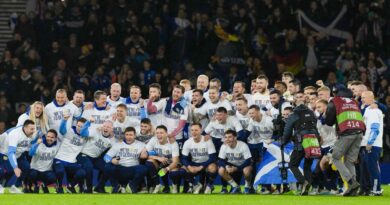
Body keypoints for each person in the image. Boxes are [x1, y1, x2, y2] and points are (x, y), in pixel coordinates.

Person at [324, 87, 365, 196]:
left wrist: (326, 115)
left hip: (347, 133)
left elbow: (328, 122)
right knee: (349, 161)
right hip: (359, 132)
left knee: (335, 157)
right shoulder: (354, 102)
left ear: (336, 93)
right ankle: (352, 190)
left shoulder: (335, 102)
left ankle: (351, 182)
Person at [282, 91, 320, 195]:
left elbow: (287, 131)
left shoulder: (293, 115)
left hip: (301, 142)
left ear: (294, 105)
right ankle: (307, 187)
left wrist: (284, 142)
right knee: (307, 166)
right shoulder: (311, 113)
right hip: (313, 141)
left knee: (293, 164)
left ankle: (303, 182)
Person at [104, 127, 148, 193]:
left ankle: (131, 185)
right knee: (107, 166)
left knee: (144, 168)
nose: (128, 137)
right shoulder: (118, 145)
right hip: (120, 168)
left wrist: (146, 152)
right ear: (124, 135)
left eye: (131, 135)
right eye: (127, 135)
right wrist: (112, 160)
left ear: (135, 135)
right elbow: (105, 157)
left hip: (133, 169)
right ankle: (117, 186)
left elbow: (152, 151)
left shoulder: (141, 145)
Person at [78, 120, 116, 193]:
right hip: (84, 155)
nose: (106, 128)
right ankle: (89, 189)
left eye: (108, 127)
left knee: (108, 167)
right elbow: (83, 133)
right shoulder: (95, 132)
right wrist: (88, 122)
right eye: (104, 126)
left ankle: (99, 187)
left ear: (111, 130)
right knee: (89, 167)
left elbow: (116, 150)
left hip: (95, 159)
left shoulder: (111, 141)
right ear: (101, 127)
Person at [1, 120, 37, 193]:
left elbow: (30, 145)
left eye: (34, 128)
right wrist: (15, 167)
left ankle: (14, 186)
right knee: (9, 169)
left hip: (19, 153)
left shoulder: (32, 133)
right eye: (31, 129)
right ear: (25, 128)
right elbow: (11, 152)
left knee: (26, 167)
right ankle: (1, 185)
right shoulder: (15, 134)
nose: (33, 131)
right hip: (4, 152)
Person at [54, 117, 88, 194]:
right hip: (60, 158)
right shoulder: (69, 131)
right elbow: (62, 130)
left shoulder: (86, 136)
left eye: (82, 126)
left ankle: (70, 186)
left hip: (72, 161)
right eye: (78, 126)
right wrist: (64, 120)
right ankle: (59, 187)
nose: (79, 128)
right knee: (60, 171)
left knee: (82, 173)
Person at [360, 91, 384, 196]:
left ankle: (376, 189)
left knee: (372, 168)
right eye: (361, 97)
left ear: (372, 98)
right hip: (366, 144)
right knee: (367, 168)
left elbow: (375, 128)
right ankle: (372, 188)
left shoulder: (374, 111)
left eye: (364, 97)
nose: (362, 99)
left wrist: (370, 142)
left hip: (372, 144)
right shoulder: (367, 110)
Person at [182, 123, 217, 194]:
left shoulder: (207, 140)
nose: (194, 132)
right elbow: (184, 158)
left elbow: (213, 157)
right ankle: (196, 185)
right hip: (194, 163)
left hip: (206, 164)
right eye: (192, 130)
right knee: (183, 168)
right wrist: (189, 167)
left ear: (201, 131)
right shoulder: (187, 142)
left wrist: (201, 167)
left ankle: (209, 186)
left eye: (196, 130)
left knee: (213, 167)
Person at [145, 125, 180, 194]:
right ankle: (158, 185)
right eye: (157, 133)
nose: (159, 135)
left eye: (161, 133)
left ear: (166, 134)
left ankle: (174, 186)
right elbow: (145, 154)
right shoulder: (153, 140)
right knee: (149, 162)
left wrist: (167, 169)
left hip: (170, 163)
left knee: (174, 170)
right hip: (159, 163)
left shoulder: (173, 143)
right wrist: (158, 158)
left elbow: (176, 161)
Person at [218, 130, 252, 194]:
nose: (227, 139)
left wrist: (237, 168)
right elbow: (221, 161)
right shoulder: (224, 146)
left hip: (243, 165)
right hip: (231, 165)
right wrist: (226, 166)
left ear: (235, 137)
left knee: (246, 170)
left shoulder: (243, 145)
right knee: (221, 170)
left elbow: (248, 161)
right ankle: (235, 187)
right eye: (226, 137)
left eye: (230, 137)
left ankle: (247, 186)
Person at [29, 129, 59, 193]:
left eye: (52, 137)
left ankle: (44, 185)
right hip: (35, 170)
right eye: (48, 136)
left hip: (47, 172)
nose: (49, 139)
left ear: (55, 139)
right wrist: (36, 143)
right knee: (31, 174)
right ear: (45, 136)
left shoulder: (56, 147)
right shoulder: (39, 144)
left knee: (54, 177)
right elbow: (30, 153)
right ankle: (36, 185)